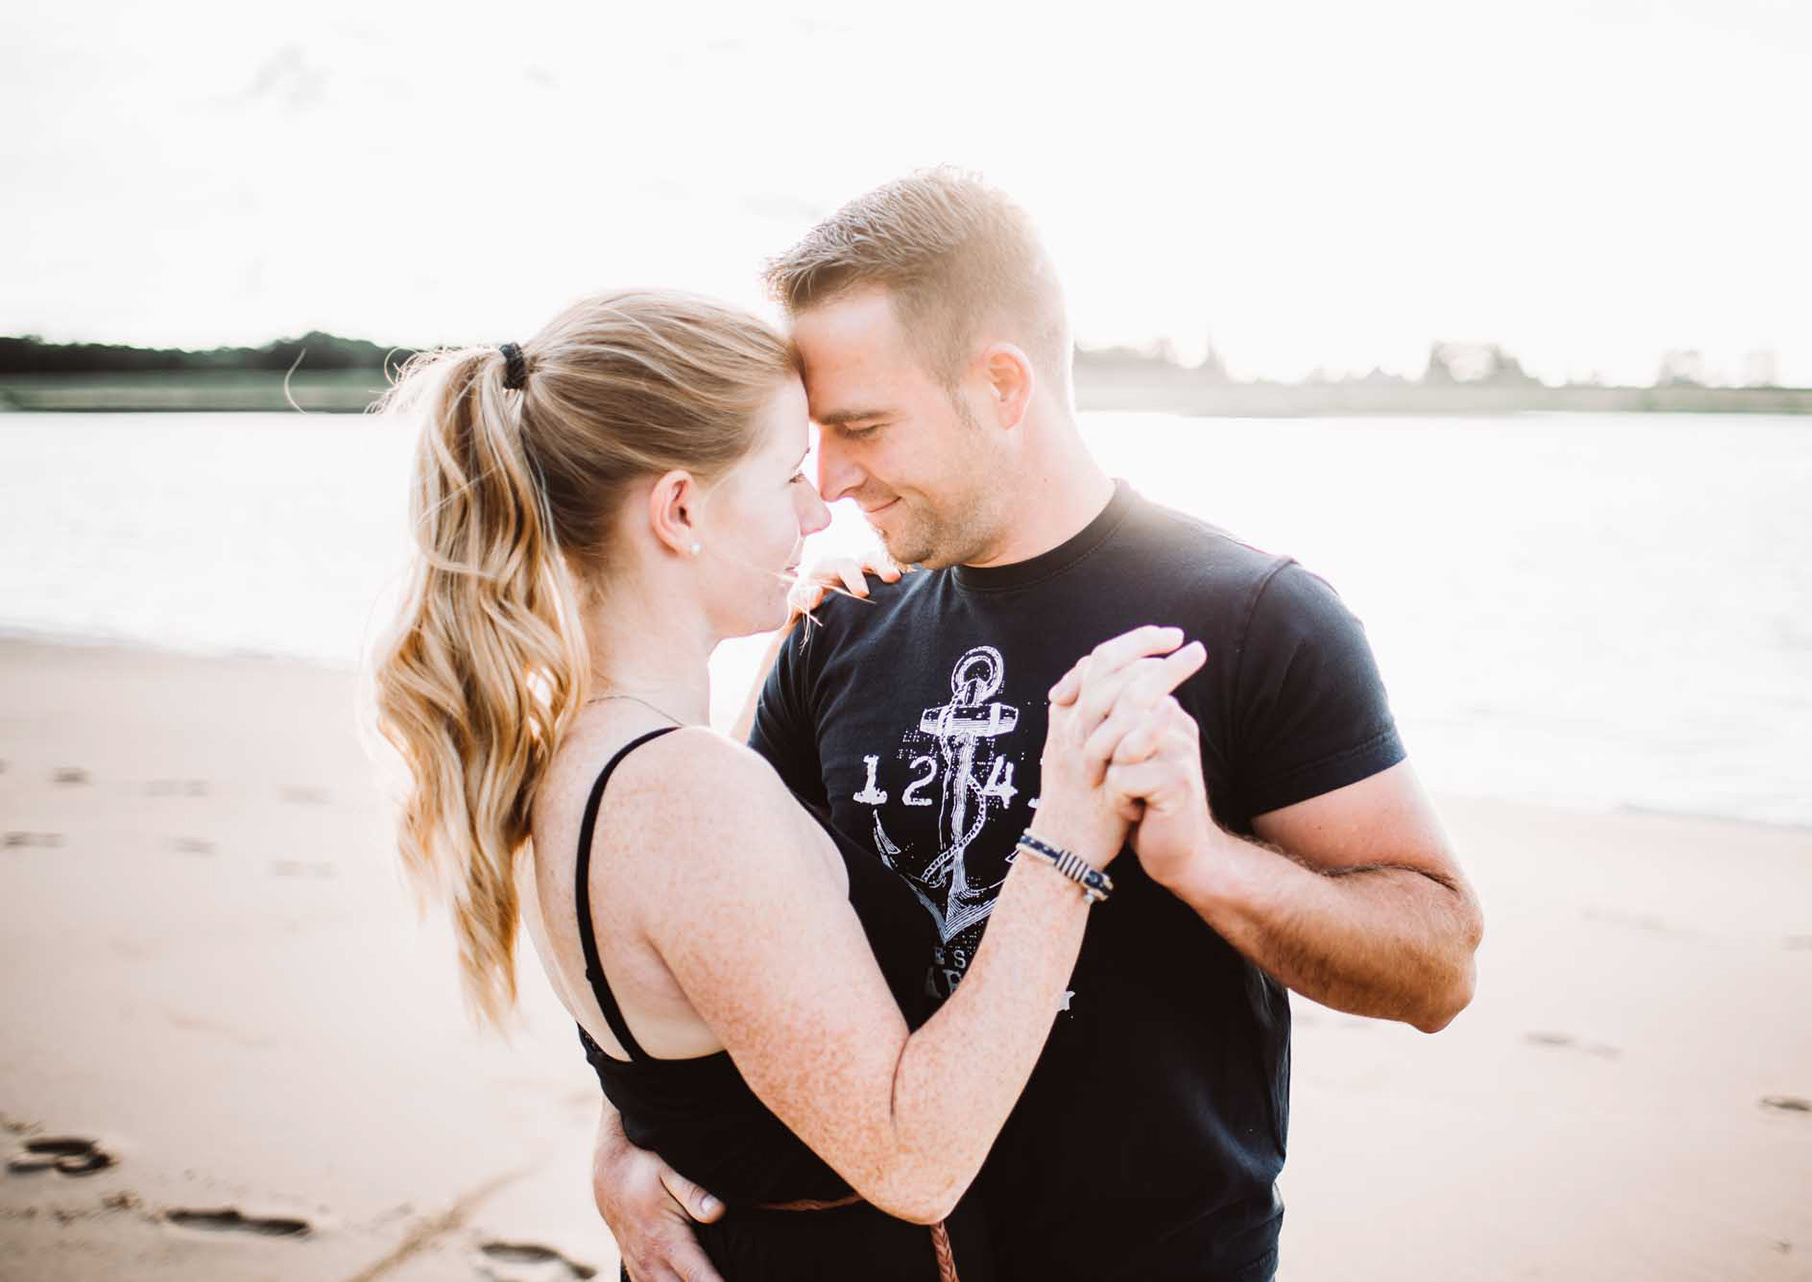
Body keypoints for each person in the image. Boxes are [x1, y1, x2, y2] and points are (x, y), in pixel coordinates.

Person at [594, 172, 1485, 1282]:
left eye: (863, 426)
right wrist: (632, 1142)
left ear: (1003, 386)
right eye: (814, 435)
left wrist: (1207, 862)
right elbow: (705, 938)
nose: (828, 481)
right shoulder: (836, 627)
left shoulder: (1253, 620)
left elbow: (1439, 965)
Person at [369, 287, 1216, 1281]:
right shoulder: (686, 797)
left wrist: (781, 672)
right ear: (680, 510)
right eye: (785, 478)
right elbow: (917, 1162)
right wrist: (1068, 829)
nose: (821, 509)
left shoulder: (589, 754)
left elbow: (716, 977)